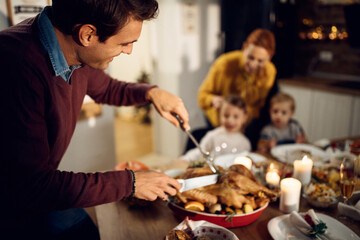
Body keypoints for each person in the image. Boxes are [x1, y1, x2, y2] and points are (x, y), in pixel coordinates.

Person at [0, 0, 189, 238]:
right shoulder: (16, 65)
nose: (129, 50)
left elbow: (107, 88)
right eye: (125, 42)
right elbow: (33, 185)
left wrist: (152, 93)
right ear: (87, 34)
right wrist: (130, 183)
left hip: (35, 193)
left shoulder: (73, 47)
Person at [197, 28, 277, 150]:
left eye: (260, 61)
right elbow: (202, 96)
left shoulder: (270, 71)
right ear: (244, 47)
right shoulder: (224, 64)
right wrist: (213, 100)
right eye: (250, 57)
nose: (253, 64)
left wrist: (243, 115)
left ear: (269, 58)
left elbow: (259, 105)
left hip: (246, 124)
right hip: (220, 122)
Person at [179, 95, 251, 162]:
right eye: (226, 116)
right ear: (219, 114)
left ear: (244, 117)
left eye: (236, 116)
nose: (230, 121)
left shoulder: (245, 143)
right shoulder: (213, 136)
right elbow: (200, 152)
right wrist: (184, 159)